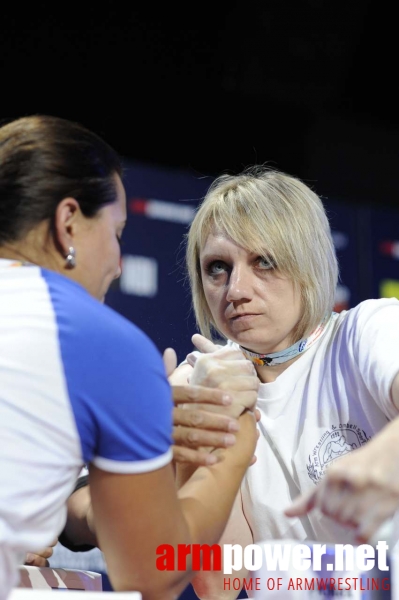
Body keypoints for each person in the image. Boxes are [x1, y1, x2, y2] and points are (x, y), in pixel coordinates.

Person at [0, 114, 259, 600]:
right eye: (116, 232)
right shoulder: (100, 343)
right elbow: (153, 572)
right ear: (69, 222)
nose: (118, 265)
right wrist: (235, 445)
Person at [170, 165, 399, 599]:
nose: (235, 289)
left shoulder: (367, 330)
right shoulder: (208, 381)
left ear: (307, 262)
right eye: (218, 267)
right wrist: (202, 433)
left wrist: (385, 456)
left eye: (264, 261)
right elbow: (218, 583)